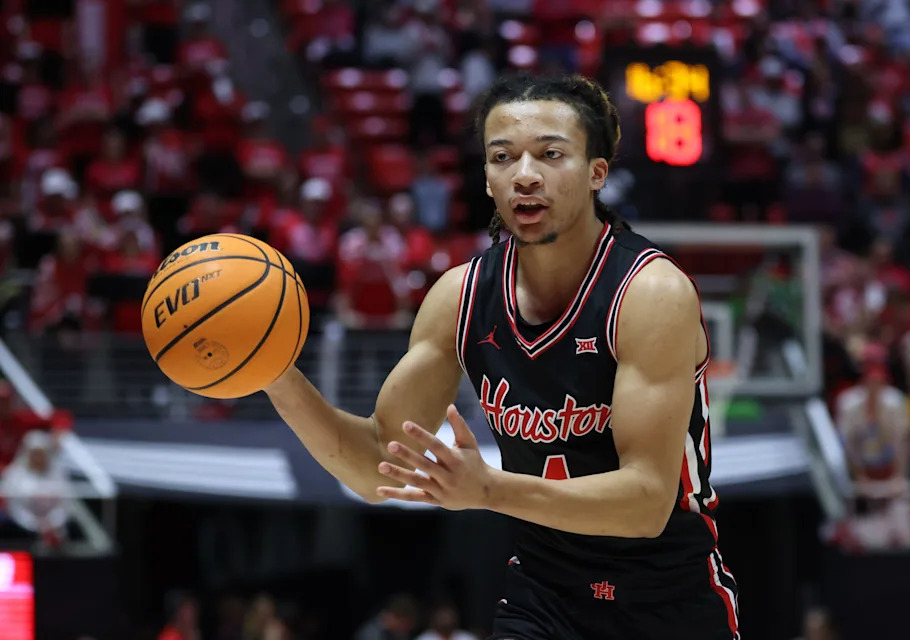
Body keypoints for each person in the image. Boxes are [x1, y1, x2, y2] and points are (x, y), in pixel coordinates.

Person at [266, 73, 739, 639]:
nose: (525, 175)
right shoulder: (459, 299)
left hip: (667, 598)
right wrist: (274, 374)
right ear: (488, 181)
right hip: (543, 594)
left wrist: (488, 490)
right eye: (502, 157)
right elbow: (377, 466)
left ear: (597, 174)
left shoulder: (649, 293)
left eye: (550, 154)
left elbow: (644, 504)